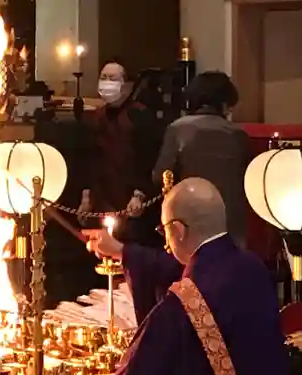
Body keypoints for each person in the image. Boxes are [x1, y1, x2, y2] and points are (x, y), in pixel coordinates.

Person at [84, 178, 289, 375]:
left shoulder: (183, 305)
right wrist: (123, 251)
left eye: (164, 231)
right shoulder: (254, 267)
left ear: (178, 230)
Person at [152, 71, 250, 248]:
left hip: (189, 223)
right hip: (231, 224)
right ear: (223, 103)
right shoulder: (238, 134)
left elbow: (160, 175)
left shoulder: (178, 129)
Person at [79, 61, 166, 247]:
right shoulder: (96, 117)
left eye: (113, 78)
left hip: (131, 200)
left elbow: (149, 157)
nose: (107, 82)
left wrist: (140, 194)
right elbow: (90, 159)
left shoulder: (139, 115)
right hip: (103, 198)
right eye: (103, 78)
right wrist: (86, 198)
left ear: (126, 86)